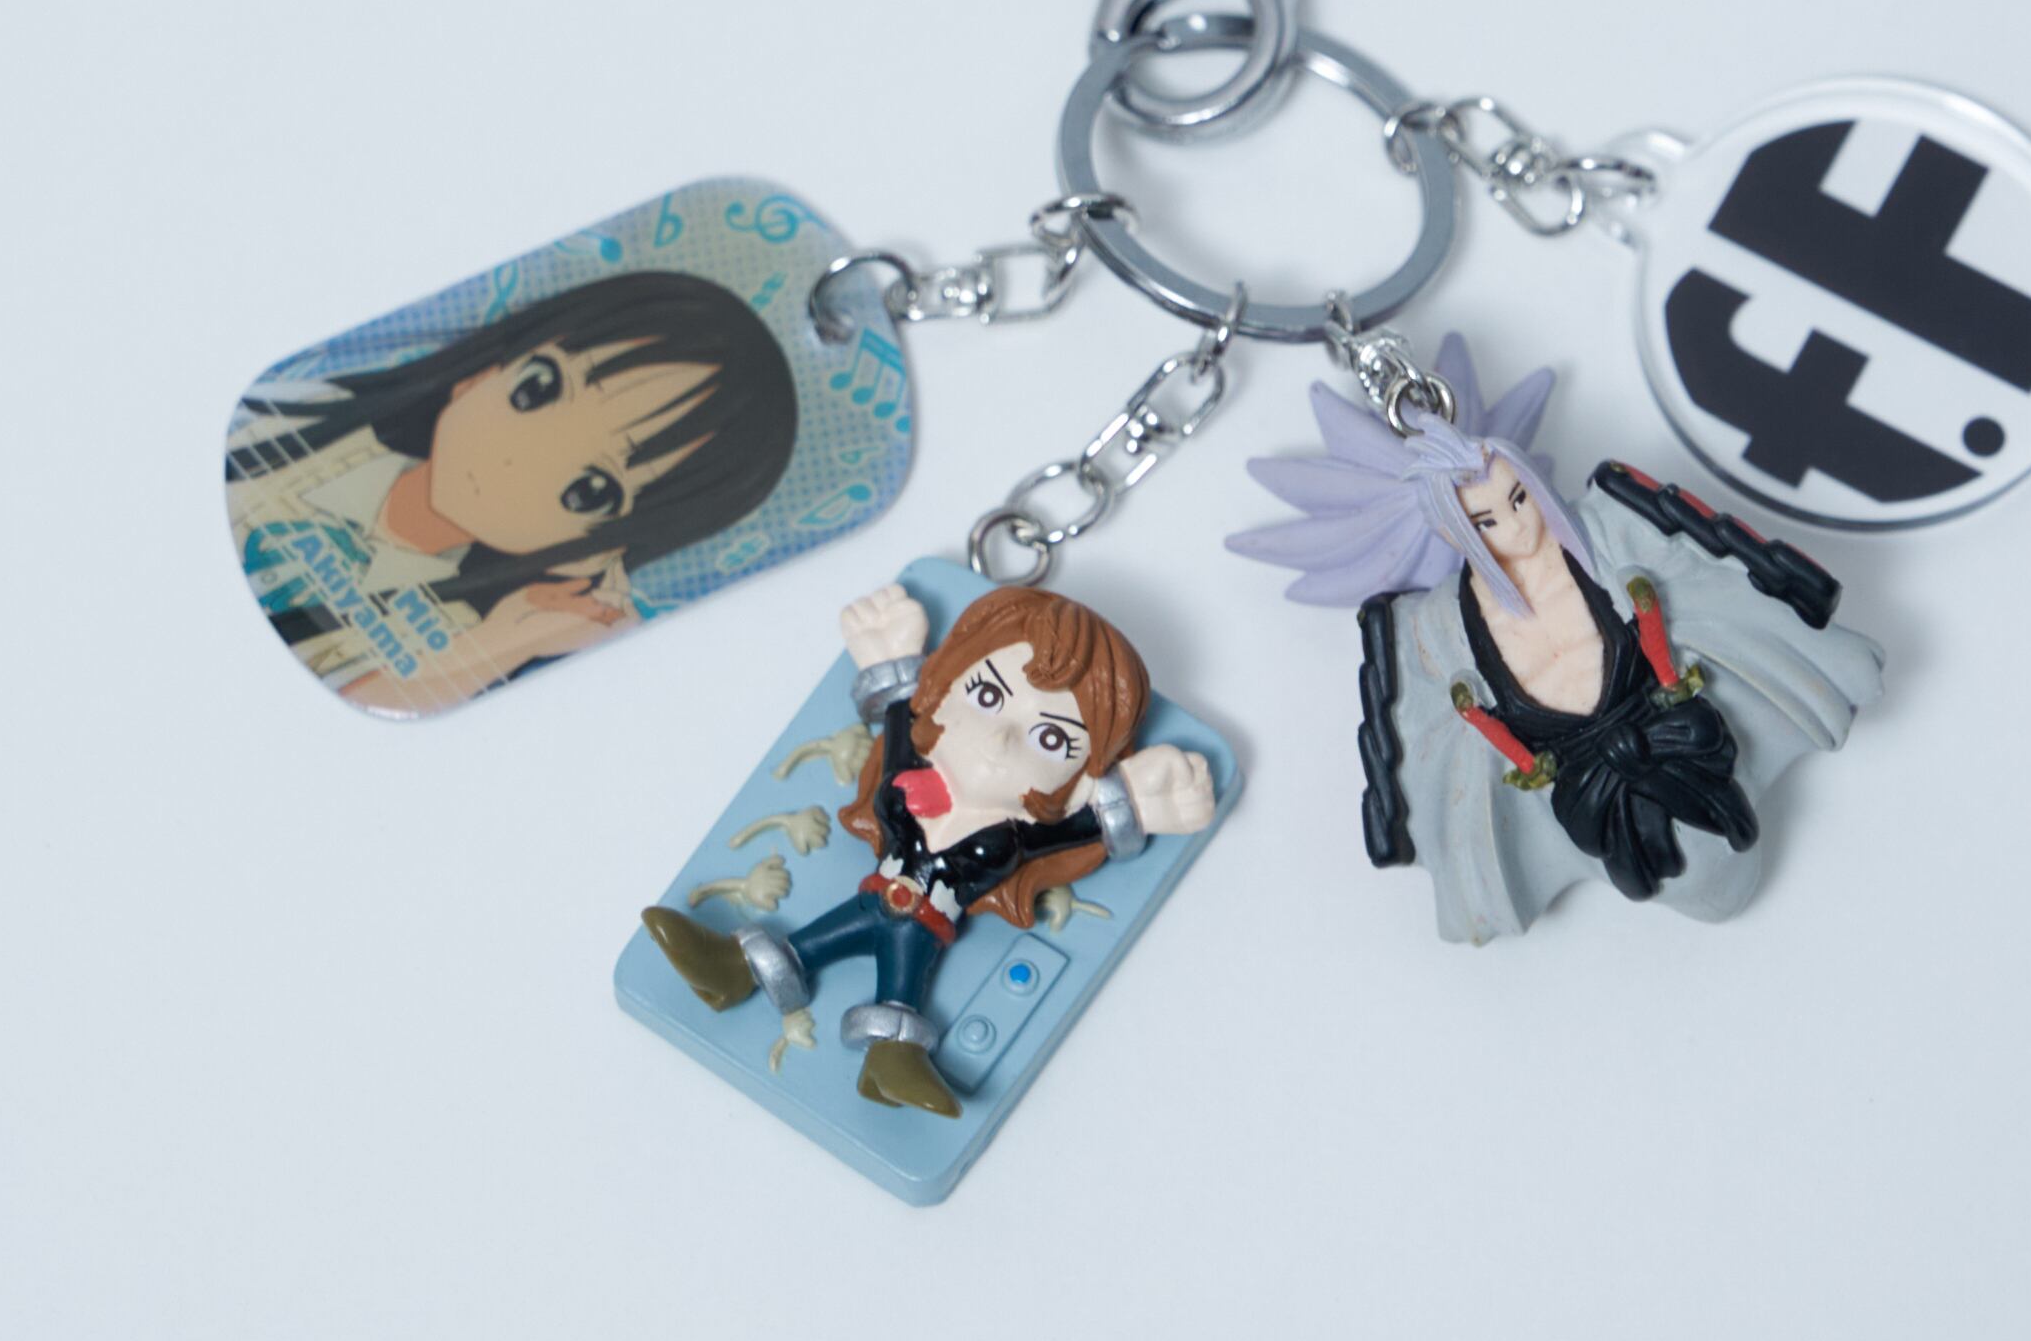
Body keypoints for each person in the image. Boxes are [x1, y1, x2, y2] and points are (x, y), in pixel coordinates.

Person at [1229, 334, 1883, 947]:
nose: (1518, 526)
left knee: (1713, 820)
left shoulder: (1607, 531)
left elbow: (1699, 566)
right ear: (1456, 532)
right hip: (1583, 789)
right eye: (1487, 520)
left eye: (1519, 498)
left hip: (1679, 731)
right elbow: (1434, 735)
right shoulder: (1438, 628)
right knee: (1643, 858)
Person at [643, 579, 1215, 1112]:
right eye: (987, 694)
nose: (1000, 738)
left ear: (1081, 778)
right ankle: (731, 971)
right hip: (875, 896)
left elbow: (1075, 828)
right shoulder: (911, 771)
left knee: (900, 991)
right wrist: (891, 665)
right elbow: (901, 724)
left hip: (924, 923)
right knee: (805, 949)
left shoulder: (1019, 831)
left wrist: (1134, 805)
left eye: (1049, 737)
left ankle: (890, 1062)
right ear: (945, 690)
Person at [227, 272, 797, 712]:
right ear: (484, 372)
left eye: (590, 489)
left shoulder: (461, 634)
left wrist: (512, 642)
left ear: (598, 550)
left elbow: (358, 708)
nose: (514, 460)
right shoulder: (305, 421)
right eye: (537, 389)